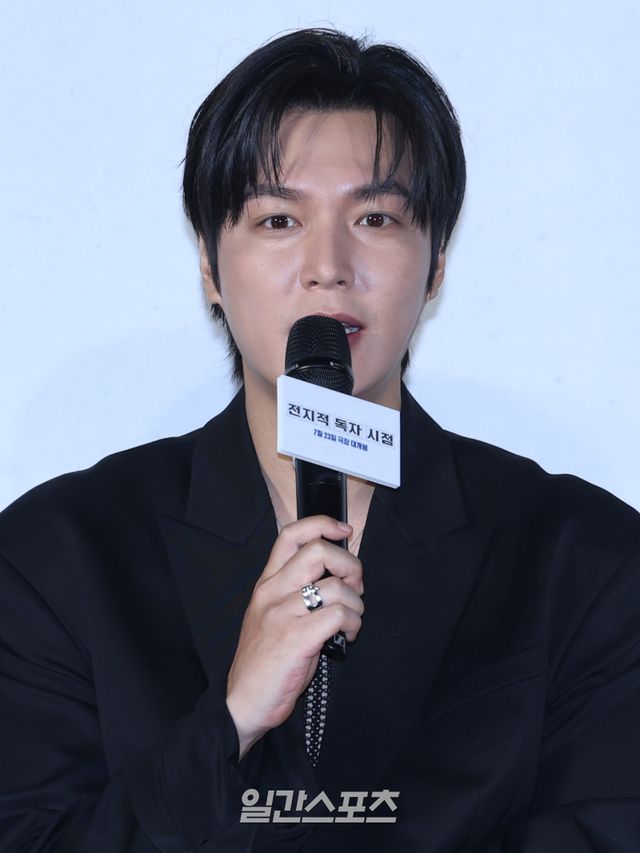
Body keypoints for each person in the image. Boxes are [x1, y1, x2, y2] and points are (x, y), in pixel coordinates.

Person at [1, 27, 639, 853]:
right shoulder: (58, 558)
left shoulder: (584, 559)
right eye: (278, 219)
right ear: (209, 267)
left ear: (437, 262)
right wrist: (230, 720)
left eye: (375, 217)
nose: (327, 265)